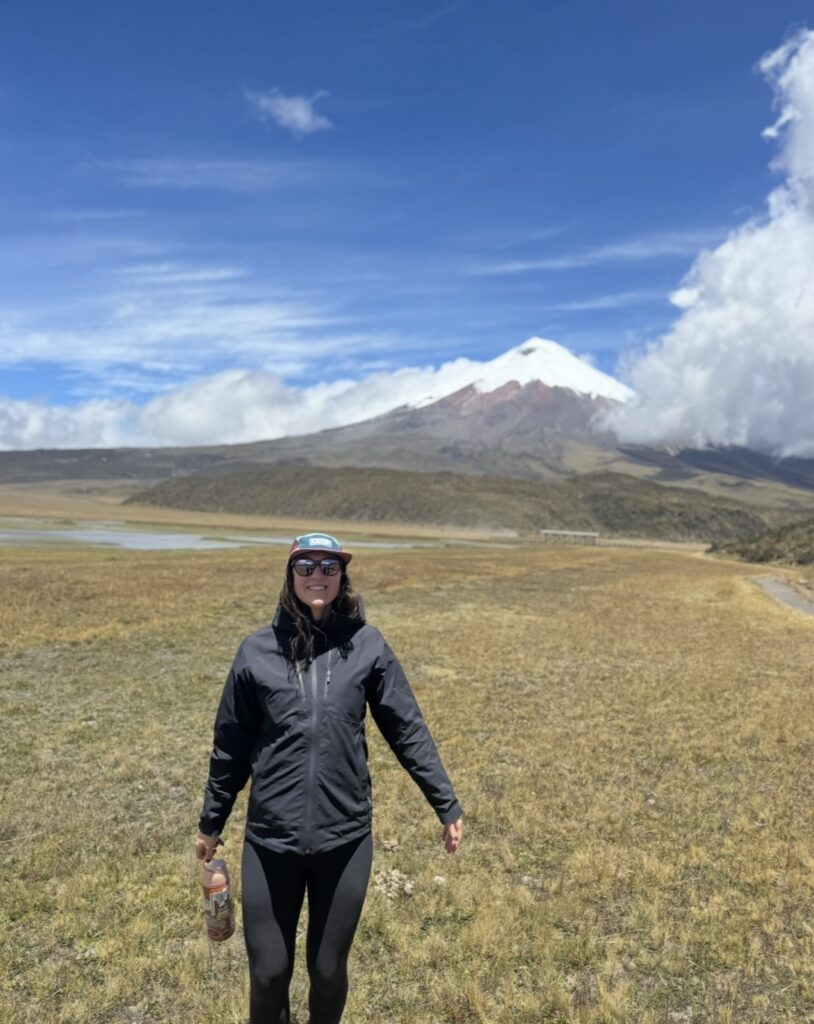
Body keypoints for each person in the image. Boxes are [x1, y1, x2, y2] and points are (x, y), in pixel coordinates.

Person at [195, 531, 464, 1024]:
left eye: (328, 566)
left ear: (341, 576)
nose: (317, 575)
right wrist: (212, 823)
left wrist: (444, 802)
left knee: (326, 969)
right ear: (290, 575)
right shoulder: (256, 652)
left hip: (344, 839)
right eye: (306, 566)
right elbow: (229, 745)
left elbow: (406, 728)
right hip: (270, 840)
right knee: (269, 972)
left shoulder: (366, 646)